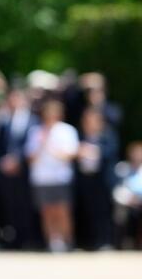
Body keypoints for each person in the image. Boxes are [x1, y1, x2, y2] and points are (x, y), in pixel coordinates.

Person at [25, 99, 79, 252]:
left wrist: (52, 148)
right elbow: (29, 157)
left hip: (60, 177)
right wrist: (42, 144)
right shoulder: (35, 131)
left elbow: (71, 154)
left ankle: (68, 241)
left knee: (62, 211)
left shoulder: (67, 130)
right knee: (46, 211)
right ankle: (52, 242)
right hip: (41, 178)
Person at [0, 89, 38, 249]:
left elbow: (31, 144)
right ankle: (15, 238)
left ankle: (28, 238)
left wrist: (18, 160)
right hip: (7, 171)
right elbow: (1, 145)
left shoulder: (33, 120)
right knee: (10, 205)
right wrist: (3, 161)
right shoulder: (5, 120)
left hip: (24, 170)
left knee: (25, 205)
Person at [74, 107, 119, 250]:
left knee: (104, 212)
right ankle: (92, 241)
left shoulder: (107, 135)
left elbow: (112, 152)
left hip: (103, 181)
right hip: (87, 180)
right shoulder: (81, 137)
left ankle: (106, 241)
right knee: (89, 211)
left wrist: (95, 150)